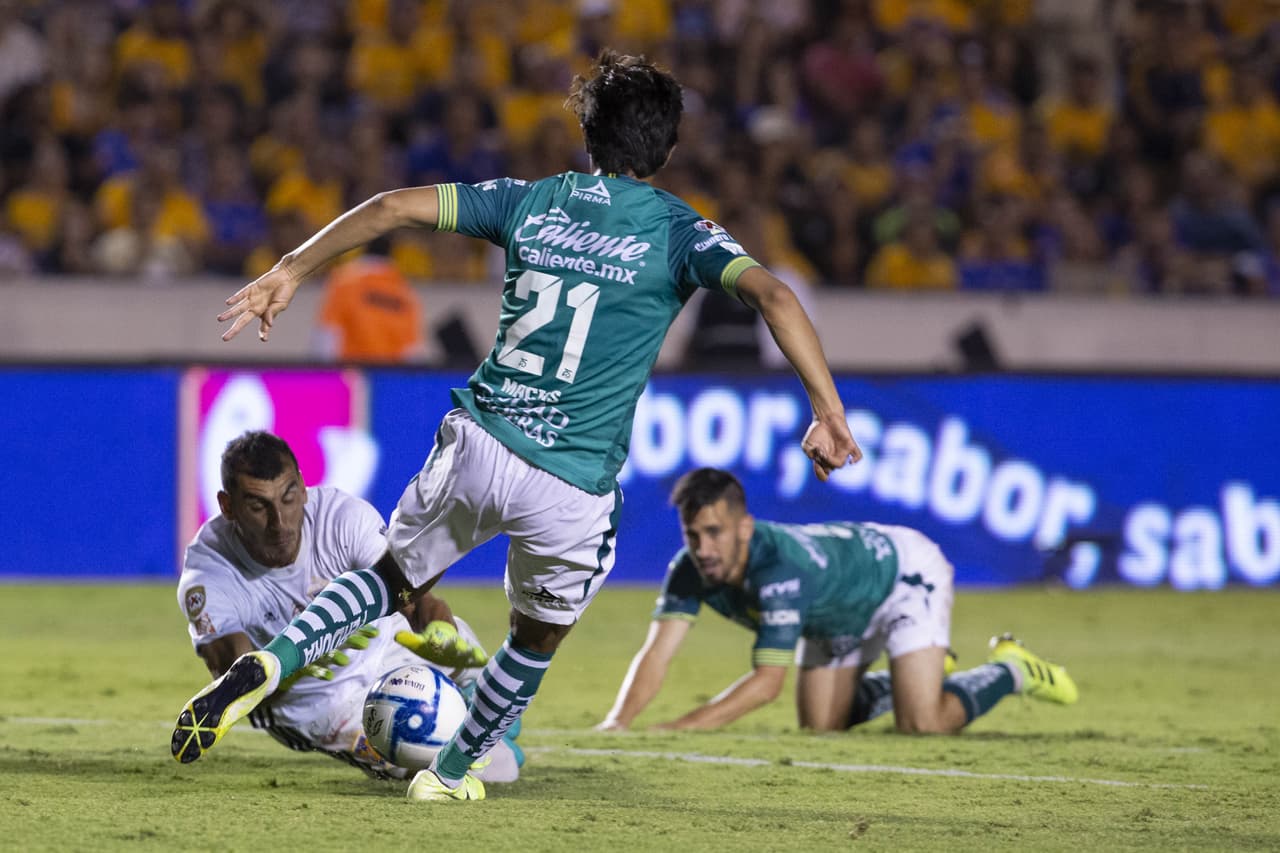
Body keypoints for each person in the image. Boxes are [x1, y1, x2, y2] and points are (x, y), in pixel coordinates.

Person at [171, 50, 860, 803]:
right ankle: (451, 773)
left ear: (587, 137)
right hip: (572, 479)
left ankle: (272, 660)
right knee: (536, 637)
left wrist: (290, 272)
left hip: (483, 439)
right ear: (666, 150)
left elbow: (391, 206)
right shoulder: (678, 231)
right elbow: (776, 297)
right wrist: (826, 410)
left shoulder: (529, 201)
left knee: (389, 580)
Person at [597, 468, 1077, 733]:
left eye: (714, 533)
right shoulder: (690, 568)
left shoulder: (778, 571)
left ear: (744, 527)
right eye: (693, 534)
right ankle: (915, 675)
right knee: (822, 727)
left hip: (901, 578)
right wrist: (618, 722)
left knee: (924, 723)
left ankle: (1010, 670)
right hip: (835, 614)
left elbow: (767, 685)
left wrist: (681, 727)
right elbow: (656, 652)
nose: (703, 548)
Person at [177, 430, 522, 782]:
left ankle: (476, 705)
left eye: (289, 497)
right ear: (227, 506)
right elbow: (235, 683)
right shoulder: (209, 572)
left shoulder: (341, 517)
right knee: (496, 769)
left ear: (303, 486)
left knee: (466, 647)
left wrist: (440, 635)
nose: (279, 522)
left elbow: (416, 598)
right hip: (320, 702)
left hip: (387, 643)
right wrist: (306, 659)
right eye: (257, 506)